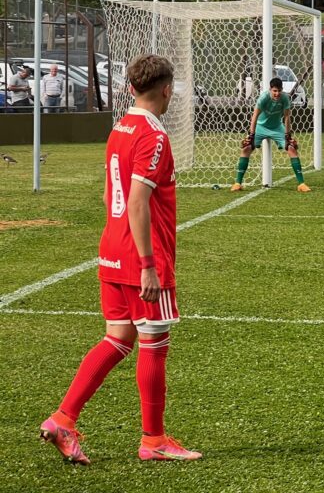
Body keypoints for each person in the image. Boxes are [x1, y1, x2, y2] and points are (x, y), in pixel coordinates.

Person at [39, 54, 202, 464]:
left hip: (111, 249)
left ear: (130, 88)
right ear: (166, 90)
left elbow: (112, 193)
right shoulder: (154, 135)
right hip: (140, 257)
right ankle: (154, 440)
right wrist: (148, 263)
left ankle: (63, 418)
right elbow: (137, 201)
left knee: (118, 338)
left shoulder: (120, 127)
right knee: (154, 344)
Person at [231, 77, 311, 193]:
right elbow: (254, 117)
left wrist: (288, 135)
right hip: (261, 127)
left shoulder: (284, 98)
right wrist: (251, 135)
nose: (277, 93)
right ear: (270, 90)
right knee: (246, 147)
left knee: (291, 148)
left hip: (277, 127)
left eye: (279, 91)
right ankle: (238, 183)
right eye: (274, 91)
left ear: (282, 90)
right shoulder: (263, 98)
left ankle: (301, 184)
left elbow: (287, 117)